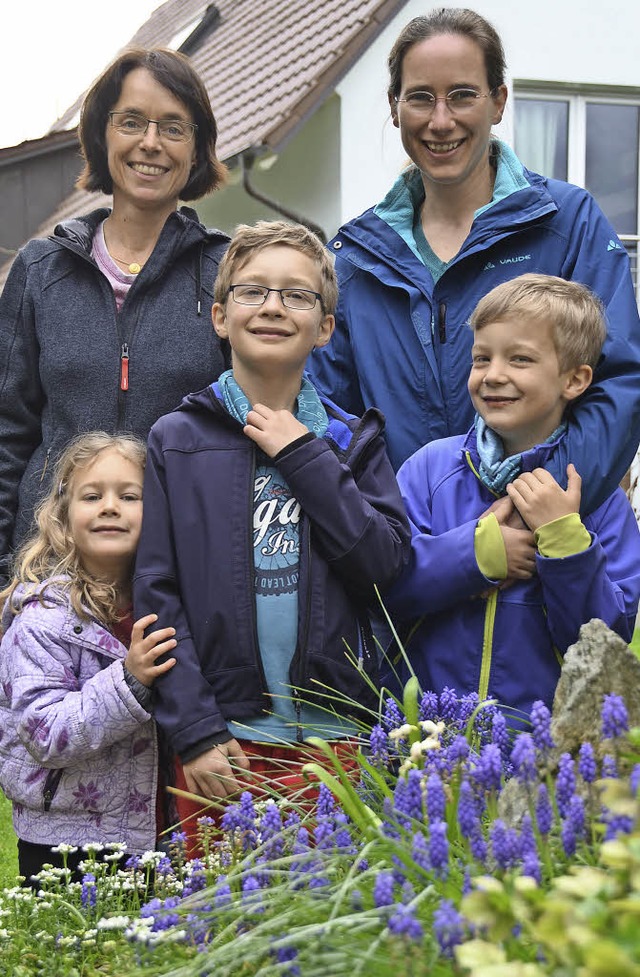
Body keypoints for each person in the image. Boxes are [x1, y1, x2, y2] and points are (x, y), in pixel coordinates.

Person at [133, 220, 410, 835]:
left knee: (332, 919)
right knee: (222, 917)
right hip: (223, 742)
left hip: (337, 732)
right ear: (219, 316)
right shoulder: (175, 441)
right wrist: (196, 730)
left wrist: (304, 456)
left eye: (297, 295)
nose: (274, 307)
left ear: (325, 329)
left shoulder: (350, 441)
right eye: (252, 291)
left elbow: (383, 564)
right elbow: (158, 595)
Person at [308, 7, 640, 516]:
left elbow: (616, 382)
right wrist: (394, 542)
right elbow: (330, 420)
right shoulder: (354, 255)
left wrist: (530, 510)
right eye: (420, 97)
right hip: (406, 565)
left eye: (462, 95)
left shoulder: (568, 224)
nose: (441, 121)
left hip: (548, 558)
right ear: (395, 107)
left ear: (499, 101)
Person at [0, 47, 230, 582]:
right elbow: (7, 430)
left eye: (173, 127)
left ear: (197, 149)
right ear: (102, 136)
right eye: (131, 122)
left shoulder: (225, 272)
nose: (150, 143)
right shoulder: (42, 269)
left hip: (181, 573)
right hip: (49, 573)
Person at [384, 274, 640, 723]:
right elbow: (387, 588)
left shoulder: (597, 497)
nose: (494, 375)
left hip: (539, 752)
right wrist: (478, 554)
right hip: (426, 741)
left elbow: (605, 646)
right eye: (481, 358)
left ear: (575, 379)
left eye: (520, 359)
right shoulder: (429, 469)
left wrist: (565, 542)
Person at [0, 432, 178, 884]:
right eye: (92, 495)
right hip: (64, 839)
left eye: (130, 495)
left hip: (156, 828)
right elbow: (46, 734)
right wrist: (129, 679)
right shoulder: (42, 621)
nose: (110, 507)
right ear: (64, 516)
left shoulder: (169, 606)